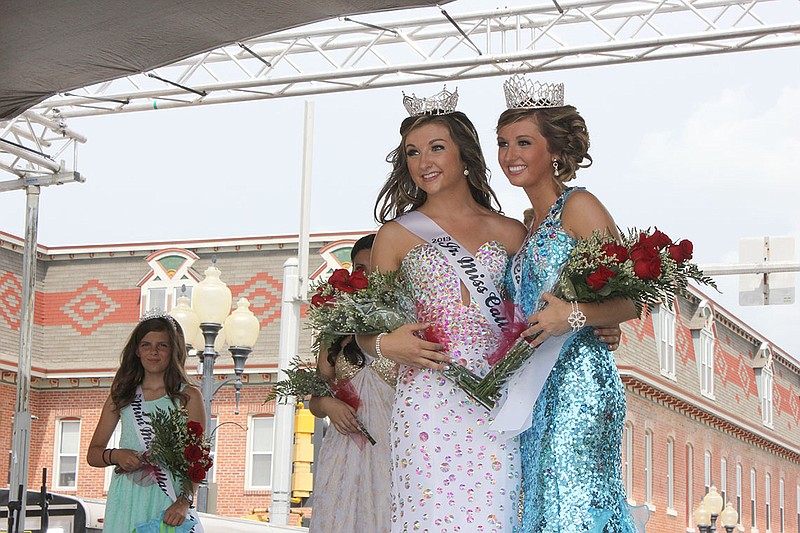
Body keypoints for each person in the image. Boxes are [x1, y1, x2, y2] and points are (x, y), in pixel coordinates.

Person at [359, 87, 528, 533]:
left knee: (497, 515)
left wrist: (594, 325)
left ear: (465, 156)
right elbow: (365, 327)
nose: (424, 161)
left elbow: (534, 313)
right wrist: (383, 342)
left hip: (500, 398)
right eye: (413, 152)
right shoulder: (394, 236)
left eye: (437, 148)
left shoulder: (511, 233)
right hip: (428, 398)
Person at [495, 74, 647, 532]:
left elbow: (632, 299)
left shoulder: (579, 206)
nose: (510, 156)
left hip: (580, 386)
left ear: (556, 151)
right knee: (543, 507)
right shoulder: (527, 225)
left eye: (523, 142)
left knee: (574, 506)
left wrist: (574, 315)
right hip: (534, 390)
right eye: (503, 144)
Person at [307, 233, 399, 533]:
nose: (367, 275)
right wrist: (329, 405)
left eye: (374, 266)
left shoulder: (405, 321)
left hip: (394, 447)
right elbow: (315, 399)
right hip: (346, 449)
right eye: (359, 269)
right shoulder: (337, 328)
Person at [87, 313, 206, 532]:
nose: (153, 352)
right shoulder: (121, 395)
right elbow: (93, 454)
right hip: (126, 498)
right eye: (146, 345)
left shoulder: (188, 396)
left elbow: (197, 460)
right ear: (137, 350)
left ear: (174, 351)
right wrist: (117, 455)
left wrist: (183, 502)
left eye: (162, 345)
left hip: (168, 499)